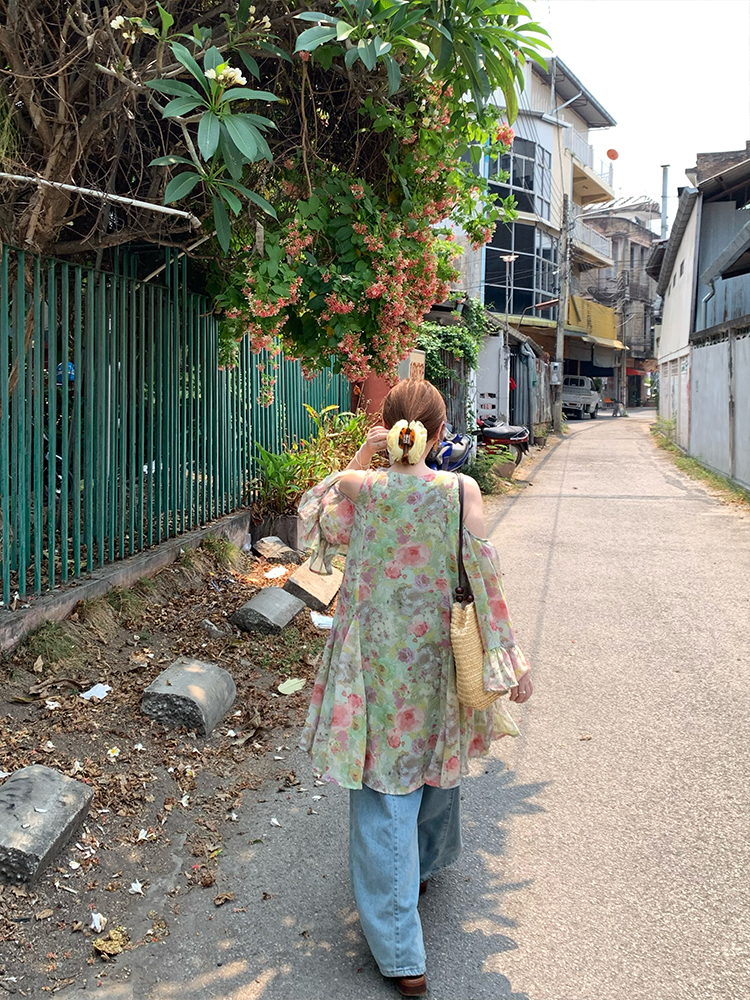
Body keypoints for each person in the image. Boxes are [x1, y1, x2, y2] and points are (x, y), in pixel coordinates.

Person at [298, 379, 533, 997]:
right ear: (440, 426)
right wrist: (509, 661)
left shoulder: (363, 489)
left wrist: (361, 455)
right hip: (434, 662)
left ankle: (403, 954)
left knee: (383, 791)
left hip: (372, 663)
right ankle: (422, 870)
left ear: (388, 425)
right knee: (434, 767)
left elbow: (316, 518)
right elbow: (485, 579)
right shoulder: (461, 491)